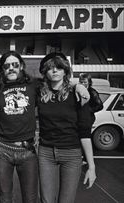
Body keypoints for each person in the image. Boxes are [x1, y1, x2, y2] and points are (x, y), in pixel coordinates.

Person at [37, 52, 96, 203]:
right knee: (46, 200)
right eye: (50, 68)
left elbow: (84, 132)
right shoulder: (40, 93)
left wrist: (91, 166)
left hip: (71, 154)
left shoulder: (77, 95)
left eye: (59, 67)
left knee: (66, 201)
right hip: (46, 153)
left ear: (65, 71)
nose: (55, 70)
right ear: (45, 72)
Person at [0, 51, 39, 203]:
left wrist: (78, 86)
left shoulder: (33, 85)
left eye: (15, 65)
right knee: (5, 197)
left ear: (21, 66)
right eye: (7, 66)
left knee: (30, 198)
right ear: (2, 69)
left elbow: (57, 83)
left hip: (27, 150)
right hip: (2, 150)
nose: (11, 68)